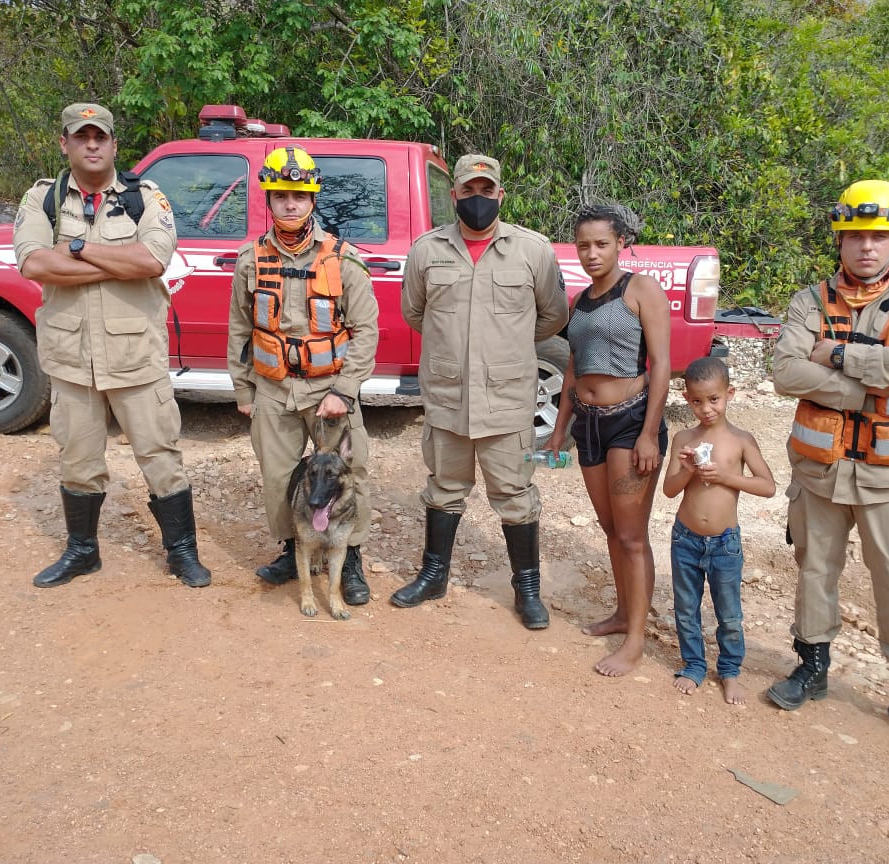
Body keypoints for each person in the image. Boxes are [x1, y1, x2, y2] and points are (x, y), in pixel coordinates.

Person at [766, 179, 889, 754]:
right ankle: (812, 667)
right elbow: (785, 372)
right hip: (820, 471)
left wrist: (842, 355)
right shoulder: (810, 300)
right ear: (840, 240)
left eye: (878, 236)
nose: (866, 247)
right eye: (855, 236)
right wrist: (866, 388)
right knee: (815, 570)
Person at [13, 102, 210, 589]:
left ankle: (182, 552)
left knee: (161, 457)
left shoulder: (146, 196)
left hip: (135, 358)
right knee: (78, 461)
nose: (92, 144)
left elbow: (152, 260)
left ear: (115, 144)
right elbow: (34, 264)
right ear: (65, 144)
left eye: (100, 136)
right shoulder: (43, 199)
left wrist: (76, 249)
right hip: (71, 360)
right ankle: (82, 552)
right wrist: (116, 261)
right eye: (82, 137)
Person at [392, 154, 569, 628]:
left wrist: (504, 347)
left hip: (507, 400)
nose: (477, 200)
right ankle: (434, 576)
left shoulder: (532, 251)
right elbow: (415, 312)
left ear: (500, 195)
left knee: (514, 492)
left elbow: (553, 315)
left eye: (486, 191)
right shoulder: (427, 251)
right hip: (448, 396)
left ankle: (527, 589)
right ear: (453, 196)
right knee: (444, 488)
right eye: (468, 191)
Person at [227, 146, 379, 604]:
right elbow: (239, 326)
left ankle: (349, 557)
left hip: (326, 389)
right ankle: (293, 548)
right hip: (272, 390)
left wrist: (345, 391)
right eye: (280, 195)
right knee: (278, 477)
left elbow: (367, 329)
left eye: (299, 195)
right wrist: (243, 387)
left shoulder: (343, 259)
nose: (290, 204)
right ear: (268, 201)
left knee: (350, 473)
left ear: (313, 199)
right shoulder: (249, 259)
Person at [548, 203, 670, 675]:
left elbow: (660, 365)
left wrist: (648, 434)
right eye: (583, 245)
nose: (592, 253)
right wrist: (560, 429)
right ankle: (623, 614)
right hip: (589, 424)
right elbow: (574, 369)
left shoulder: (641, 290)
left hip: (630, 422)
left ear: (621, 242)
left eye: (601, 243)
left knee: (632, 536)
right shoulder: (579, 301)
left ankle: (636, 640)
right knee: (610, 531)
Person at [662, 357, 776, 703]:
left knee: (728, 614)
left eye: (714, 399)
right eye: (697, 401)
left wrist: (725, 477)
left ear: (730, 394)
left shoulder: (741, 440)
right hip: (685, 539)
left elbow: (767, 486)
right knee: (686, 607)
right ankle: (694, 665)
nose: (706, 408)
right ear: (686, 398)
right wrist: (687, 470)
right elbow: (669, 490)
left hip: (725, 543)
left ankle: (729, 671)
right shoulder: (684, 437)